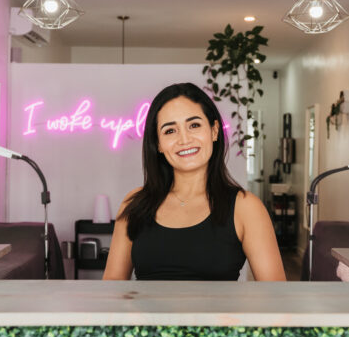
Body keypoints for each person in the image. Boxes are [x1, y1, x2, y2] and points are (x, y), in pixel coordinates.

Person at [103, 82, 286, 281]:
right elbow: (112, 290)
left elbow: (275, 297)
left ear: (214, 131)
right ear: (158, 144)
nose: (184, 139)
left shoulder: (246, 207)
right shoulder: (135, 204)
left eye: (194, 125)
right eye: (170, 131)